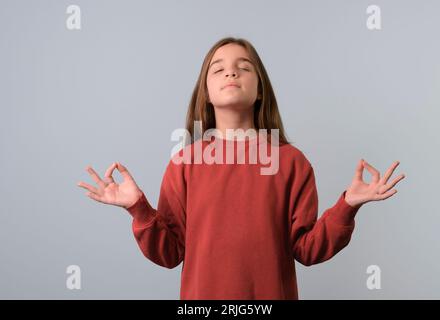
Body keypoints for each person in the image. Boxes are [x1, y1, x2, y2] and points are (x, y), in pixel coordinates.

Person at [77, 37, 406, 299]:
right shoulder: (184, 164)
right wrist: (138, 209)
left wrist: (347, 205)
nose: (231, 73)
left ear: (260, 88)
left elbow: (306, 249)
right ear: (206, 93)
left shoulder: (291, 162)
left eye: (243, 67)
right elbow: (170, 254)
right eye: (218, 69)